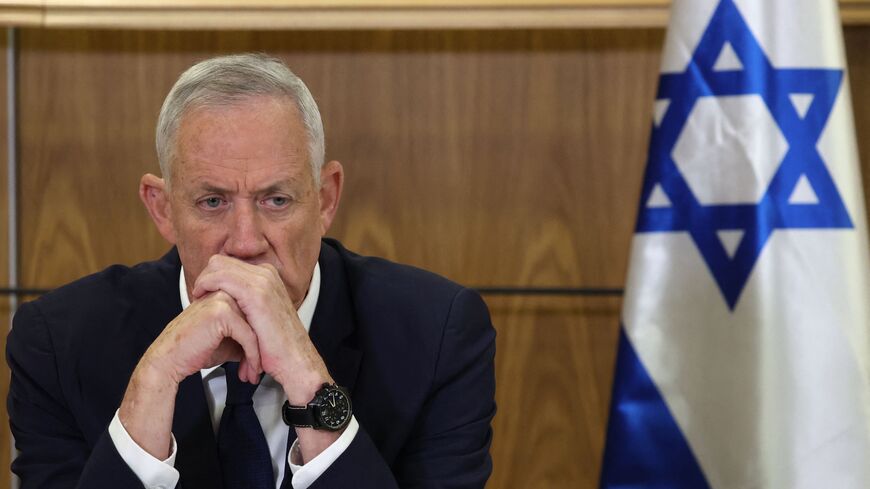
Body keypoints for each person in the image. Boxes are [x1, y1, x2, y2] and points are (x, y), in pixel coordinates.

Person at [6, 53, 496, 489]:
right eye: (212, 201)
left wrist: (307, 378)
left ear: (325, 199)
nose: (245, 243)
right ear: (163, 209)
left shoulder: (437, 334)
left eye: (276, 200)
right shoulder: (56, 343)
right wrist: (152, 384)